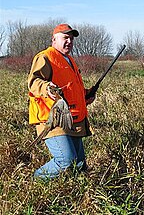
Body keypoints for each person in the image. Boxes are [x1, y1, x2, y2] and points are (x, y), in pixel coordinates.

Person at [28, 23, 95, 179]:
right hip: (52, 119)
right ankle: (35, 180)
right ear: (54, 39)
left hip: (72, 119)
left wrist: (85, 95)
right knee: (66, 161)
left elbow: (71, 89)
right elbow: (34, 82)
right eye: (65, 37)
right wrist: (47, 87)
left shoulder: (69, 60)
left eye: (71, 38)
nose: (69, 42)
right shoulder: (45, 56)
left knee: (79, 164)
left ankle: (74, 196)